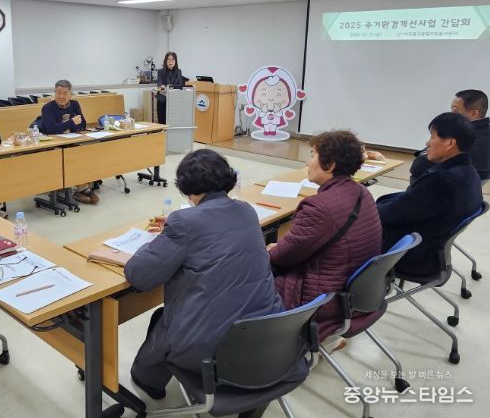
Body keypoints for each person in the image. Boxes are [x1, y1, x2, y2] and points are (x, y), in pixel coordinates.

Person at [124, 149, 295, 400]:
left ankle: (148, 382)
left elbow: (139, 275)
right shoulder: (247, 210)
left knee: (164, 320)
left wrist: (161, 239)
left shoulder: (183, 222)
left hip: (213, 348)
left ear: (187, 188)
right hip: (266, 336)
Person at [268, 131, 382, 345]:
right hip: (353, 292)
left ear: (329, 165)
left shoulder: (319, 207)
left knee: (245, 279)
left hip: (323, 299)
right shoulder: (361, 192)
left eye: (312, 154)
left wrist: (271, 250)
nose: (307, 162)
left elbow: (283, 257)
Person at [378, 112, 483, 279]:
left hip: (411, 254)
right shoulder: (469, 173)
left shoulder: (441, 180)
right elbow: (407, 205)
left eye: (432, 137)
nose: (427, 143)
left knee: (346, 228)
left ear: (450, 143)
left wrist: (365, 209)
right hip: (431, 246)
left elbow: (394, 214)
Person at [410, 89, 489, 183]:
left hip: (441, 185)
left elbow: (417, 167)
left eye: (455, 110)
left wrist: (424, 156)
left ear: (473, 113)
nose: (451, 114)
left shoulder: (465, 136)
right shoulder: (484, 132)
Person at [38, 79, 97, 204]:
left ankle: (81, 184)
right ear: (54, 93)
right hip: (51, 144)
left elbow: (82, 124)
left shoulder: (74, 104)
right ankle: (81, 187)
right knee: (72, 155)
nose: (61, 96)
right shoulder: (48, 108)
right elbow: (52, 129)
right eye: (58, 93)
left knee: (86, 151)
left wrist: (69, 126)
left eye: (65, 93)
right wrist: (71, 122)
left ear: (70, 94)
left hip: (70, 140)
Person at [155, 51, 186, 124]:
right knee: (162, 122)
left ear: (175, 61)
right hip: (162, 100)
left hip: (174, 100)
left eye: (173, 59)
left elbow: (180, 85)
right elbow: (159, 83)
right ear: (165, 61)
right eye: (168, 59)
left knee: (173, 122)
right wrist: (161, 86)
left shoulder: (179, 71)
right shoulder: (160, 71)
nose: (170, 61)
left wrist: (170, 86)